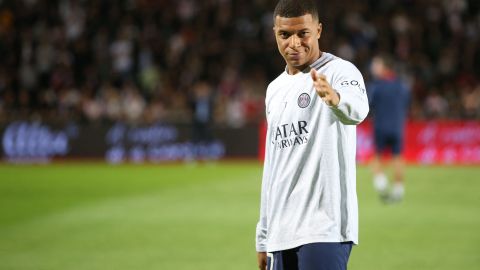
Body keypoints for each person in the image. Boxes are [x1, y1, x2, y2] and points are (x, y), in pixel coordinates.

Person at [255, 1, 369, 270]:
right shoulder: (274, 89)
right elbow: (273, 166)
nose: (294, 43)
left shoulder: (340, 71)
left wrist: (335, 99)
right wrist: (263, 236)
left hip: (324, 228)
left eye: (303, 33)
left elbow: (358, 110)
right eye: (285, 35)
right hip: (281, 232)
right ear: (275, 34)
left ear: (318, 30)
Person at [368, 54, 410, 203]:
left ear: (384, 67)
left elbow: (368, 105)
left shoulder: (376, 87)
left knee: (376, 158)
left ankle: (382, 187)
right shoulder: (402, 85)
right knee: (397, 157)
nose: (373, 68)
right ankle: (398, 192)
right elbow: (406, 102)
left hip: (380, 126)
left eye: (376, 65)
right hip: (397, 126)